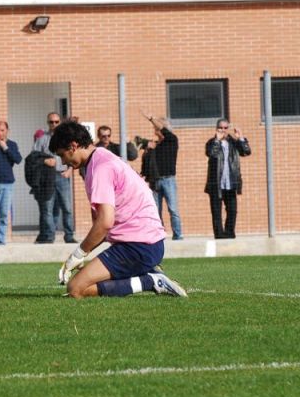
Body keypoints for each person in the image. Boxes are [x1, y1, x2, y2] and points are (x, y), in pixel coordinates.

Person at [50, 121, 188, 299]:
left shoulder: (100, 167)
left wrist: (76, 255)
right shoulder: (100, 159)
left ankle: (151, 281)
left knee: (76, 289)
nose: (63, 161)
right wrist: (83, 255)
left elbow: (105, 223)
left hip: (138, 246)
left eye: (62, 155)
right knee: (81, 284)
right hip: (142, 243)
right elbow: (103, 226)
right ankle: (147, 271)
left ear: (73, 146)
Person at [32, 112, 76, 244]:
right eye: (51, 122)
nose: (54, 124)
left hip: (63, 176)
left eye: (56, 122)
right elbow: (34, 157)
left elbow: (75, 156)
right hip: (47, 178)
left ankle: (69, 236)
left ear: (60, 122)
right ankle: (49, 237)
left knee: (67, 208)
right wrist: (44, 161)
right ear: (47, 123)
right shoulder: (42, 139)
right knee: (48, 209)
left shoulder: (67, 139)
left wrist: (70, 170)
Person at [205, 119, 251, 239]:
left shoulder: (234, 143)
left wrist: (241, 138)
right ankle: (219, 235)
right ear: (217, 129)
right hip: (216, 184)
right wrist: (217, 140)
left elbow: (246, 152)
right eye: (221, 128)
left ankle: (229, 233)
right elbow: (212, 153)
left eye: (225, 128)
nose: (223, 130)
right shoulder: (211, 143)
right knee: (216, 212)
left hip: (231, 182)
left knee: (232, 210)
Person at [141, 111, 183, 240]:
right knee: (155, 210)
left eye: (158, 128)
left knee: (173, 209)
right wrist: (147, 150)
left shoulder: (171, 140)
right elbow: (146, 164)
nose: (156, 130)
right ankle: (159, 235)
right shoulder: (154, 145)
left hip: (168, 179)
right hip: (154, 181)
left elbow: (163, 129)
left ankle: (178, 234)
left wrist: (151, 119)